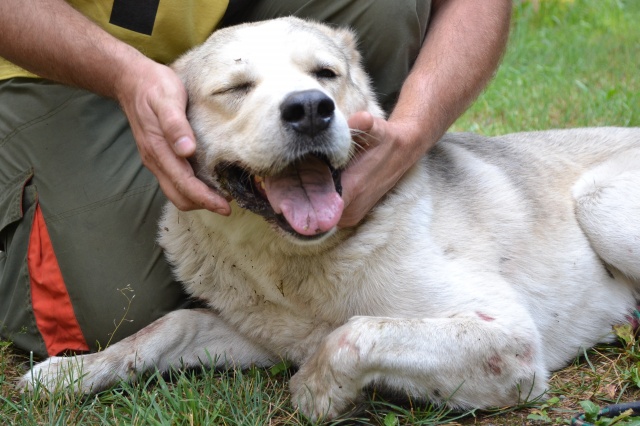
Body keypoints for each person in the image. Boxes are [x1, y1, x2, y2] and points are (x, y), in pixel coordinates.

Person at [0, 0, 511, 358]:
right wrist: (127, 76)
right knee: (113, 311)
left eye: (322, 78)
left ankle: (338, 158)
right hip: (49, 53)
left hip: (227, 24)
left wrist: (412, 131)